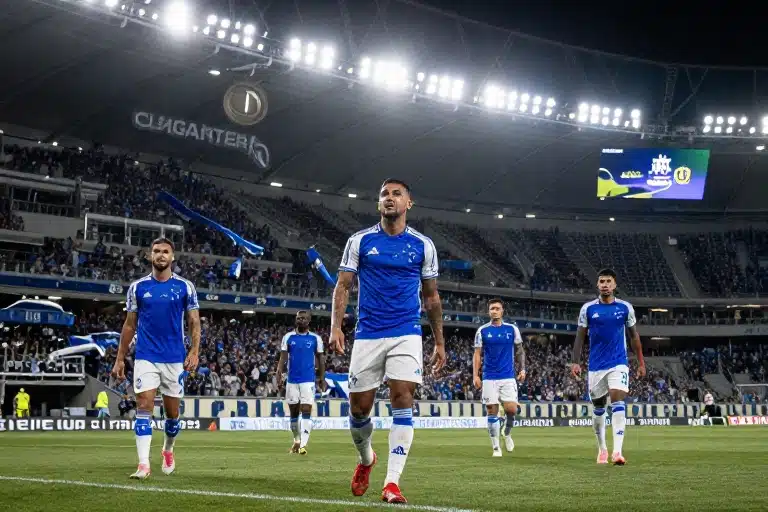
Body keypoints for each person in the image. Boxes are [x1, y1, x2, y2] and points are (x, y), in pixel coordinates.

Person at [330, 178, 446, 504]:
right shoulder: (360, 241)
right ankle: (366, 459)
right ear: (378, 203)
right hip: (368, 333)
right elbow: (343, 285)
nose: (389, 198)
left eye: (397, 194)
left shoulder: (423, 245)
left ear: (409, 203)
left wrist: (439, 342)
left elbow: (432, 297)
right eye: (384, 194)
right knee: (359, 409)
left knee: (403, 398)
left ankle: (392, 483)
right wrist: (336, 327)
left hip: (406, 332)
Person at [112, 237, 201, 480]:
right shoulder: (137, 288)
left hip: (174, 358)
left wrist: (194, 351)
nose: (161, 255)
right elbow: (129, 325)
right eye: (156, 251)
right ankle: (143, 464)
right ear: (150, 256)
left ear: (172, 257)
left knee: (172, 416)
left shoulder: (185, 287)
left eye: (165, 251)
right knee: (144, 406)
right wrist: (120, 358)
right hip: (146, 355)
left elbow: (194, 321)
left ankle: (167, 450)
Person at [571, 268, 644, 466]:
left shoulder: (625, 308)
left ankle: (617, 451)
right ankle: (602, 448)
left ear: (615, 285)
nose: (605, 285)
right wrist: (575, 361)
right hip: (596, 366)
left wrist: (641, 362)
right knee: (598, 406)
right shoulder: (588, 309)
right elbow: (580, 336)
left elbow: (634, 336)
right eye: (602, 281)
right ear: (597, 285)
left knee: (617, 397)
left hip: (618, 362)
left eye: (608, 281)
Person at [472, 299, 525, 457]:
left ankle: (506, 432)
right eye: (492, 309)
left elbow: (520, 350)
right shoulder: (482, 331)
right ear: (488, 312)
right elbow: (477, 354)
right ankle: (496, 448)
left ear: (502, 311)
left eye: (497, 308)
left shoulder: (512, 329)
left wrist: (522, 369)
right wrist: (475, 375)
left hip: (508, 376)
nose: (494, 311)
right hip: (489, 377)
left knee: (511, 410)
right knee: (491, 411)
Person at [277, 310, 326, 455]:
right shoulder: (288, 337)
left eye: (304, 318)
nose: (301, 320)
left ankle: (303, 445)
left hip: (308, 380)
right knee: (293, 412)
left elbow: (321, 360)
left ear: (309, 321)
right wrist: (279, 373)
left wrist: (322, 378)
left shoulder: (316, 339)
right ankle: (297, 440)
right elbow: (283, 357)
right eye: (298, 318)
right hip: (292, 380)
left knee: (306, 410)